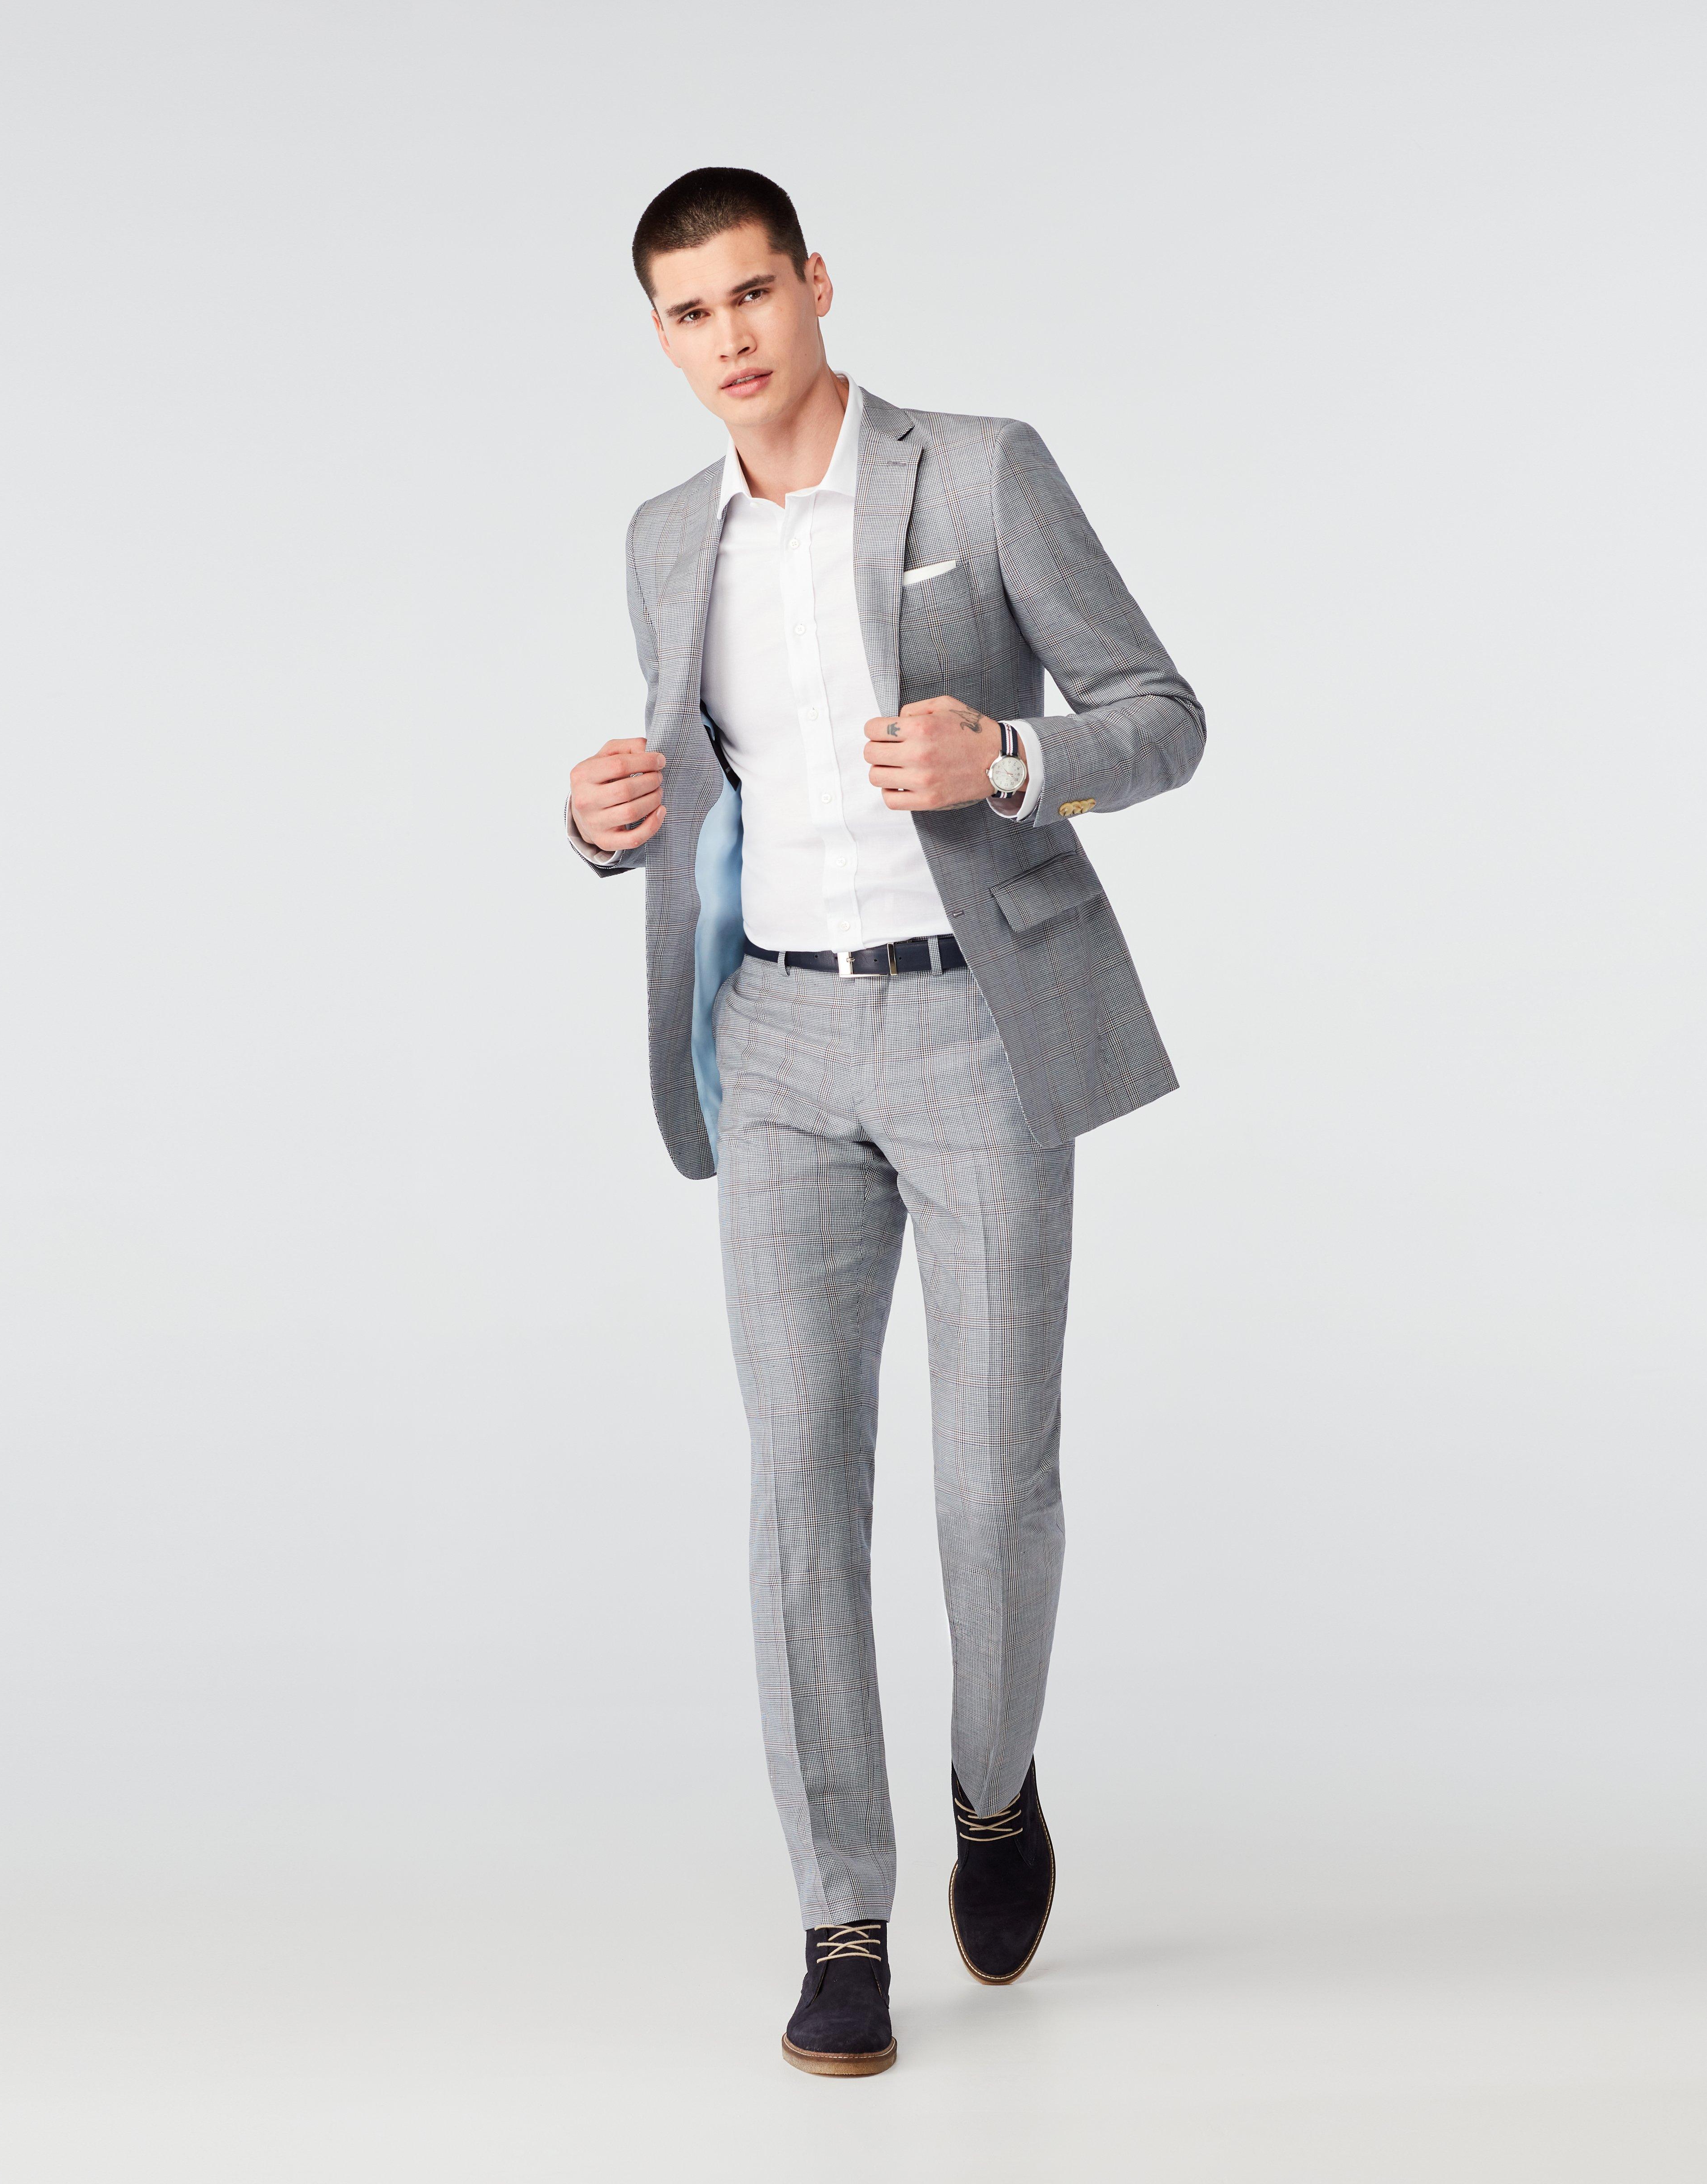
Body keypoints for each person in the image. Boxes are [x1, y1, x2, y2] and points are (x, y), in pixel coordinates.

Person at [566, 167, 1205, 2077]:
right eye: (690, 314)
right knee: (799, 1488)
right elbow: (697, 784)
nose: (730, 339)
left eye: (753, 293)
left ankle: (992, 1788)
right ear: (661, 335)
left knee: (990, 1485)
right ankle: (841, 1913)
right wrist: (601, 822)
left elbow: (1161, 712)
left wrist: (1005, 755)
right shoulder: (664, 537)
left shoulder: (980, 475)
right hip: (770, 1042)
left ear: (816, 284)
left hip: (973, 1027)